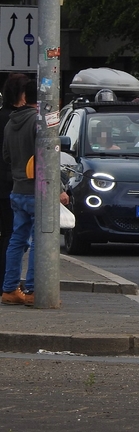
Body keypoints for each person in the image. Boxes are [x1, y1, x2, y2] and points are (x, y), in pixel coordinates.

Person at [1, 80, 69, 306]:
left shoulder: (10, 123)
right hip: (38, 191)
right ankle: (31, 290)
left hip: (18, 189)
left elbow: (7, 157)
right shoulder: (39, 123)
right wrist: (59, 189)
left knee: (16, 239)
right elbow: (48, 159)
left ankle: (9, 289)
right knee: (41, 240)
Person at [0, 73, 29, 290]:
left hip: (8, 183)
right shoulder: (21, 120)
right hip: (15, 184)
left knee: (10, 235)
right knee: (14, 236)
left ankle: (7, 284)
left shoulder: (5, 118)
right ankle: (7, 284)